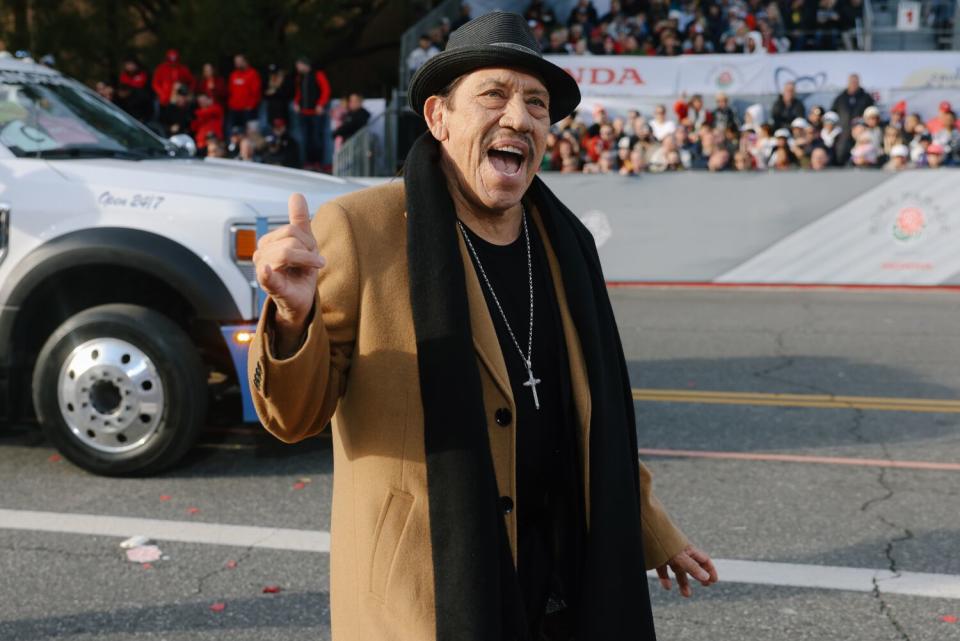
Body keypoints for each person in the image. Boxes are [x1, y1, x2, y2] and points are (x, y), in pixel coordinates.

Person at [247, 11, 716, 641]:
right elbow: (293, 417)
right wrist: (292, 316)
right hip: (429, 590)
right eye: (494, 95)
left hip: (561, 586)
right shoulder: (362, 229)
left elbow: (592, 419)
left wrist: (650, 529)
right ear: (439, 118)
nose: (519, 119)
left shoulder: (568, 245)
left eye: (537, 104)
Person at [293, 56, 332, 169]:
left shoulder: (318, 74)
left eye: (299, 65)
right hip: (304, 112)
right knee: (306, 139)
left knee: (317, 139)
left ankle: (318, 162)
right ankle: (308, 162)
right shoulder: (300, 77)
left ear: (305, 64)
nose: (297, 68)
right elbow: (299, 93)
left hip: (316, 113)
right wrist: (296, 103)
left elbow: (326, 90)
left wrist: (320, 104)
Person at [830, 73, 874, 164]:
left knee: (862, 153)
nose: (853, 84)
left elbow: (871, 115)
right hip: (844, 131)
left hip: (861, 131)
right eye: (851, 82)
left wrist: (863, 128)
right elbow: (833, 114)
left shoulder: (866, 98)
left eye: (855, 82)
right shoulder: (840, 98)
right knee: (841, 151)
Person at [227, 53, 262, 134]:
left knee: (252, 133)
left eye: (239, 61)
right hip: (235, 110)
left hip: (248, 110)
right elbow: (230, 91)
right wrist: (231, 105)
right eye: (236, 62)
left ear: (245, 62)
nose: (237, 64)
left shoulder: (253, 74)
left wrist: (251, 105)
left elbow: (256, 92)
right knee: (236, 133)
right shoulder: (233, 75)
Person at [117, 58, 153, 123]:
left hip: (142, 102)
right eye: (127, 64)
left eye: (131, 64)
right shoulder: (123, 75)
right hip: (128, 104)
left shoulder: (144, 74)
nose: (129, 66)